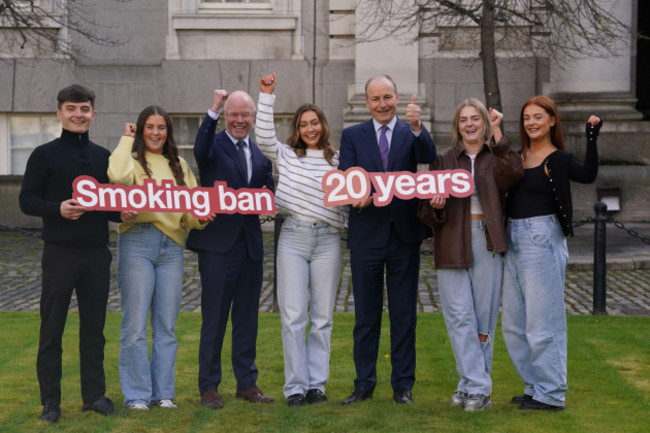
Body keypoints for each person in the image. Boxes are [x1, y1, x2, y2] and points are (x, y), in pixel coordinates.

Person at [19, 84, 120, 423]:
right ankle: (51, 402)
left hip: (95, 254)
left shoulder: (103, 156)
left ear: (93, 113)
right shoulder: (43, 155)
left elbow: (108, 207)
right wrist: (57, 209)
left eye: (85, 109)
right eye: (72, 109)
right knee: (52, 330)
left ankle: (94, 396)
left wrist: (125, 213)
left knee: (94, 330)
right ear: (59, 113)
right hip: (59, 253)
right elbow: (27, 201)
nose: (79, 114)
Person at [417, 99, 523, 411]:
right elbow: (423, 209)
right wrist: (434, 207)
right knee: (458, 316)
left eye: (475, 118)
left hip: (487, 241)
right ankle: (477, 387)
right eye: (463, 119)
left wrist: (500, 137)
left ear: (484, 123)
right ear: (457, 126)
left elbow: (515, 173)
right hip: (451, 241)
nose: (469, 124)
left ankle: (470, 387)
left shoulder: (496, 157)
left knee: (482, 320)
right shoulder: (444, 160)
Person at [338, 75, 437, 405]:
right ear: (367, 103)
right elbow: (347, 176)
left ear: (397, 98)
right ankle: (364, 383)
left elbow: (429, 155)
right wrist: (361, 194)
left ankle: (402, 386)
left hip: (403, 236)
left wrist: (419, 127)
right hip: (366, 234)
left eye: (388, 97)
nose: (382, 104)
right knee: (365, 316)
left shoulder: (412, 132)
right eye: (375, 98)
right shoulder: (353, 135)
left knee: (403, 314)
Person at [107, 105, 213, 411]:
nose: (156, 133)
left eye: (161, 127)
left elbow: (190, 212)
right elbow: (116, 174)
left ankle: (163, 394)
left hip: (171, 248)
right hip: (137, 244)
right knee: (135, 325)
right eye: (149, 127)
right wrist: (126, 140)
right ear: (141, 130)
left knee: (166, 326)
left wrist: (202, 218)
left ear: (168, 132)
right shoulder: (132, 161)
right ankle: (137, 395)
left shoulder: (178, 164)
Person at [501, 95, 601, 411]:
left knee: (543, 322)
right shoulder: (518, 156)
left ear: (552, 121)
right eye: (527, 117)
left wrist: (591, 136)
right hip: (513, 238)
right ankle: (534, 386)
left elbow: (587, 175)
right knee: (514, 325)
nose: (532, 122)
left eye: (538, 117)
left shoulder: (558, 159)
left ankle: (552, 393)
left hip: (542, 238)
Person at [255, 73, 347, 406]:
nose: (310, 129)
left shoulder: (338, 161)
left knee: (322, 318)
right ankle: (295, 387)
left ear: (323, 125)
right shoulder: (286, 155)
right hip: (293, 237)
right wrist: (267, 96)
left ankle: (316, 386)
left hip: (328, 241)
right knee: (293, 316)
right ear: (297, 128)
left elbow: (352, 196)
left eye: (315, 123)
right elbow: (264, 138)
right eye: (304, 124)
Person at [186, 89, 275, 409]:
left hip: (250, 247)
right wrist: (212, 108)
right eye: (234, 114)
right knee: (214, 319)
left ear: (253, 118)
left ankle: (247, 384)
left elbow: (267, 189)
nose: (240, 120)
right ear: (226, 116)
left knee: (247, 319)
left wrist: (269, 198)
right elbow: (199, 149)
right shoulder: (213, 146)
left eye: (245, 115)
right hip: (217, 247)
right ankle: (209, 387)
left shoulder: (260, 151)